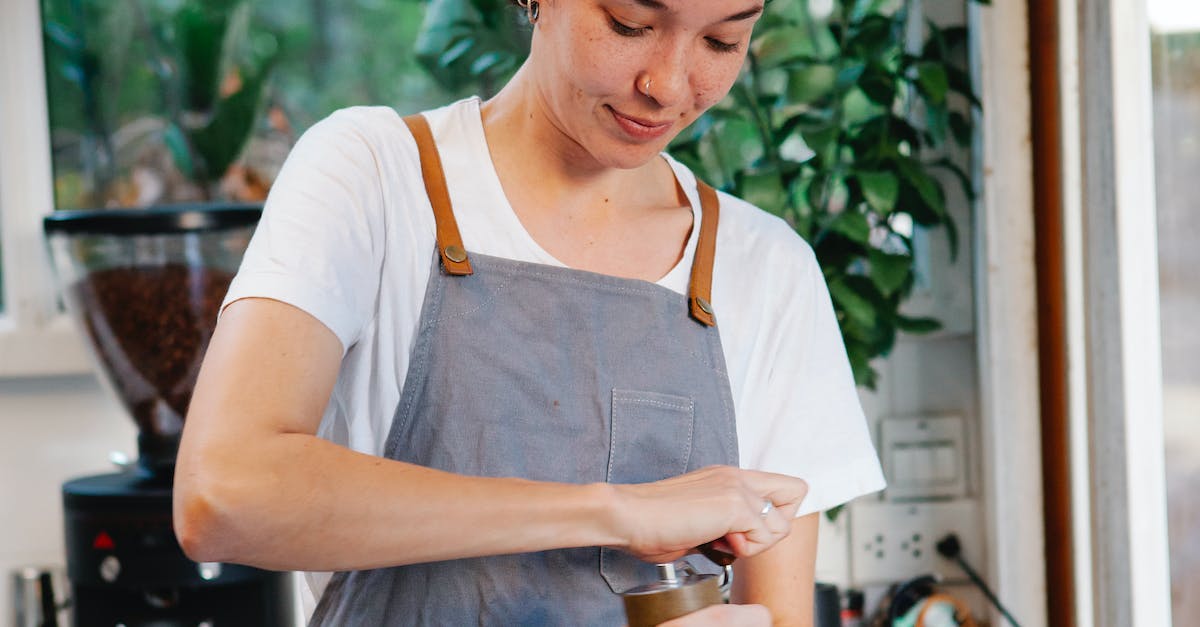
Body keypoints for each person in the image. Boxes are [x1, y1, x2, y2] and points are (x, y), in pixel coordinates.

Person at [174, 0, 885, 624]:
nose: (667, 85)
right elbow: (223, 494)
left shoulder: (767, 269)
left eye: (722, 42)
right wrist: (614, 510)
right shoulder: (374, 178)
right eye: (630, 24)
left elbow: (780, 616)